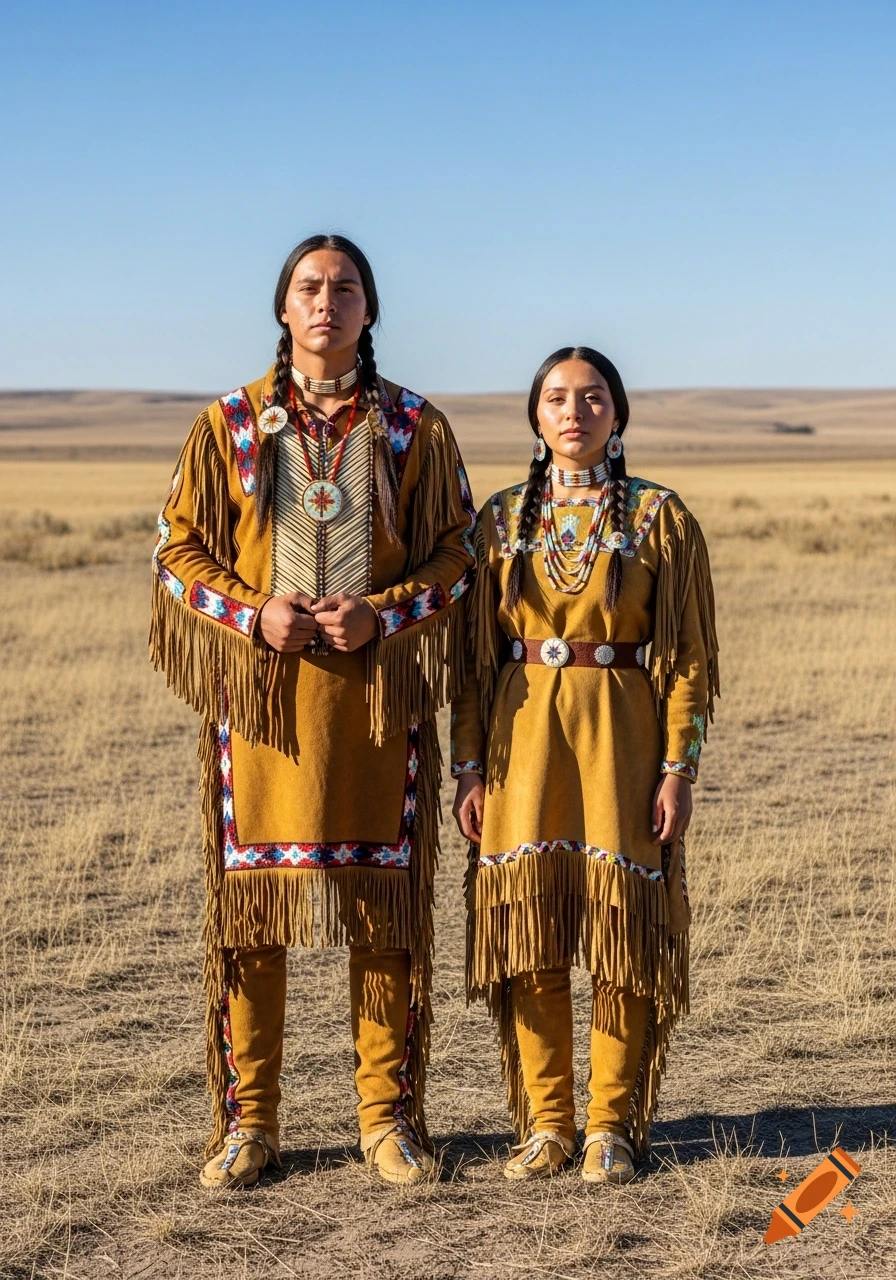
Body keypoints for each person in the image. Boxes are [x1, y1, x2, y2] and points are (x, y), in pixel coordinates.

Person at [151, 234, 475, 1188]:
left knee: (384, 910)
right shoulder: (229, 426)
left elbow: (458, 556)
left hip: (376, 708)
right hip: (263, 709)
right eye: (308, 287)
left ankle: (389, 1121)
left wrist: (386, 610)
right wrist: (256, 614)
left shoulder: (415, 429)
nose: (325, 301)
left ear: (370, 310)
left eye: (344, 288)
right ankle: (247, 1122)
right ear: (282, 308)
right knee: (253, 912)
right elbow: (176, 553)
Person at [451, 346, 718, 1183]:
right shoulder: (497, 522)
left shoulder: (659, 516)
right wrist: (467, 770)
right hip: (521, 744)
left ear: (618, 413)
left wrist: (679, 769)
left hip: (623, 743)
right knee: (529, 931)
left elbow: (690, 661)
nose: (575, 412)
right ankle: (548, 1124)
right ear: (535, 415)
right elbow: (472, 666)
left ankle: (611, 1126)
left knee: (621, 935)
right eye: (558, 398)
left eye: (593, 397)